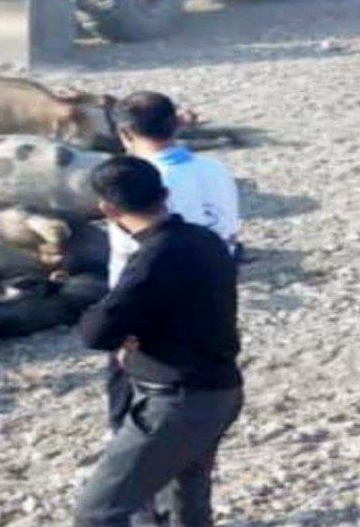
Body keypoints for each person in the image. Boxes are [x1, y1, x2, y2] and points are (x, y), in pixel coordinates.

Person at [74, 157, 243, 527]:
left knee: (98, 512)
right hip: (219, 390)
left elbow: (95, 332)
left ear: (108, 210)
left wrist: (127, 334)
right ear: (164, 195)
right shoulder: (206, 239)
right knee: (183, 503)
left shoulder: (153, 258)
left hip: (176, 404)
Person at [104, 92, 240, 431]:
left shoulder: (137, 182)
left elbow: (132, 253)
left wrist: (123, 326)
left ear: (125, 134)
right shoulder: (215, 169)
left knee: (138, 398)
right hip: (215, 289)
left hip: (149, 302)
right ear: (176, 124)